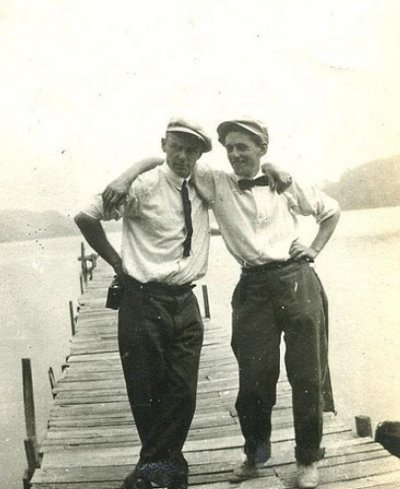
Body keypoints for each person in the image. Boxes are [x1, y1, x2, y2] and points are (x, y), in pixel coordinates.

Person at [102, 118, 340, 489]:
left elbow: (330, 211)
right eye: (229, 147)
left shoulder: (285, 182)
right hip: (253, 288)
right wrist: (128, 172)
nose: (234, 154)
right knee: (254, 380)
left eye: (243, 146)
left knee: (307, 375)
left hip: (296, 281)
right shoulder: (216, 182)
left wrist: (314, 249)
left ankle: (308, 458)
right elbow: (173, 161)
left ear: (262, 148)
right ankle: (254, 452)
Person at [74, 118, 213, 489]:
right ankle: (168, 469)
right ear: (164, 145)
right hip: (142, 302)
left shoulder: (203, 184)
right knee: (147, 393)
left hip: (185, 301)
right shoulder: (143, 186)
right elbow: (85, 215)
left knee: (183, 392)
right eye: (176, 147)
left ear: (200, 155)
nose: (183, 156)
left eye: (191, 150)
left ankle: (150, 469)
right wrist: (115, 261)